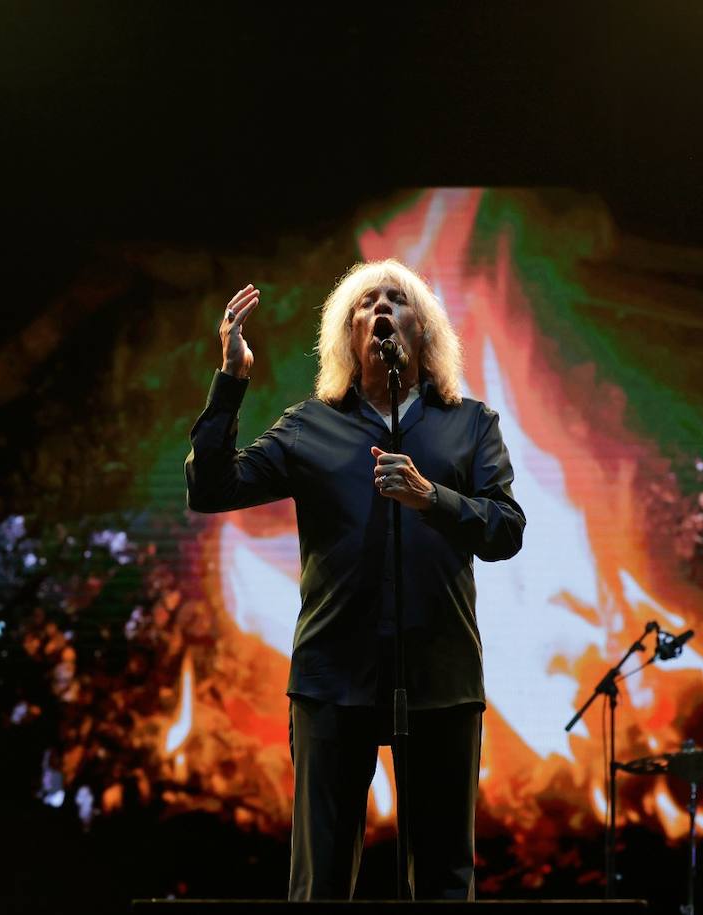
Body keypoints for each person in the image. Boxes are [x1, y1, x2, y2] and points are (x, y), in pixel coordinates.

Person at [186, 260, 526, 899]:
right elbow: (210, 489)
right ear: (348, 333)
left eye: (396, 301)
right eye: (366, 303)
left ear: (420, 330)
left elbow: (507, 529)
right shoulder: (310, 426)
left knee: (446, 880)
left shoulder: (470, 423)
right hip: (332, 676)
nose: (380, 311)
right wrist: (231, 379)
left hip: (440, 677)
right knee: (321, 881)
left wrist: (434, 499)